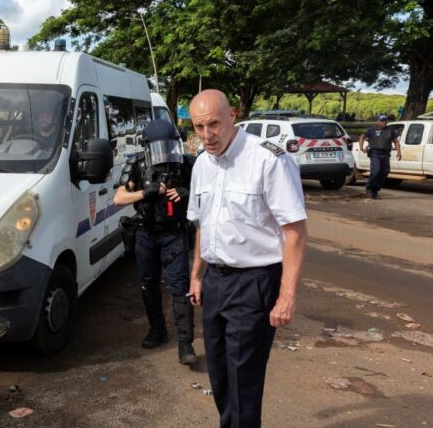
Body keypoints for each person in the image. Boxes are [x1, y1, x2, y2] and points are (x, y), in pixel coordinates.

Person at [187, 90, 307, 428]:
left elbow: (295, 231)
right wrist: (197, 275)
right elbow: (202, 224)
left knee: (244, 378)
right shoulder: (201, 163)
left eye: (213, 124)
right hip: (214, 281)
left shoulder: (268, 159)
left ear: (232, 116)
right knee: (220, 374)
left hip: (254, 282)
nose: (207, 135)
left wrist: (287, 296)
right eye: (198, 127)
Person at [113, 120, 198, 366]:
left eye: (169, 146)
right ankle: (157, 330)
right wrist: (146, 192)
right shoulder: (138, 164)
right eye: (158, 147)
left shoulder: (186, 164)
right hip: (146, 233)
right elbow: (119, 198)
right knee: (148, 285)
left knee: (180, 287)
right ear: (147, 146)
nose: (165, 153)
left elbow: (206, 193)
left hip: (174, 233)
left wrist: (187, 193)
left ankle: (185, 343)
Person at [359, 115, 401, 199]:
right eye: (382, 121)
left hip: (385, 154)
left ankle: (375, 190)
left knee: (385, 172)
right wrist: (361, 147)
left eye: (385, 120)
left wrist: (399, 152)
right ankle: (369, 188)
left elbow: (396, 141)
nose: (384, 122)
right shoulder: (372, 129)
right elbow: (362, 137)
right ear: (378, 121)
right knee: (376, 171)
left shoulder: (390, 130)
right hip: (375, 153)